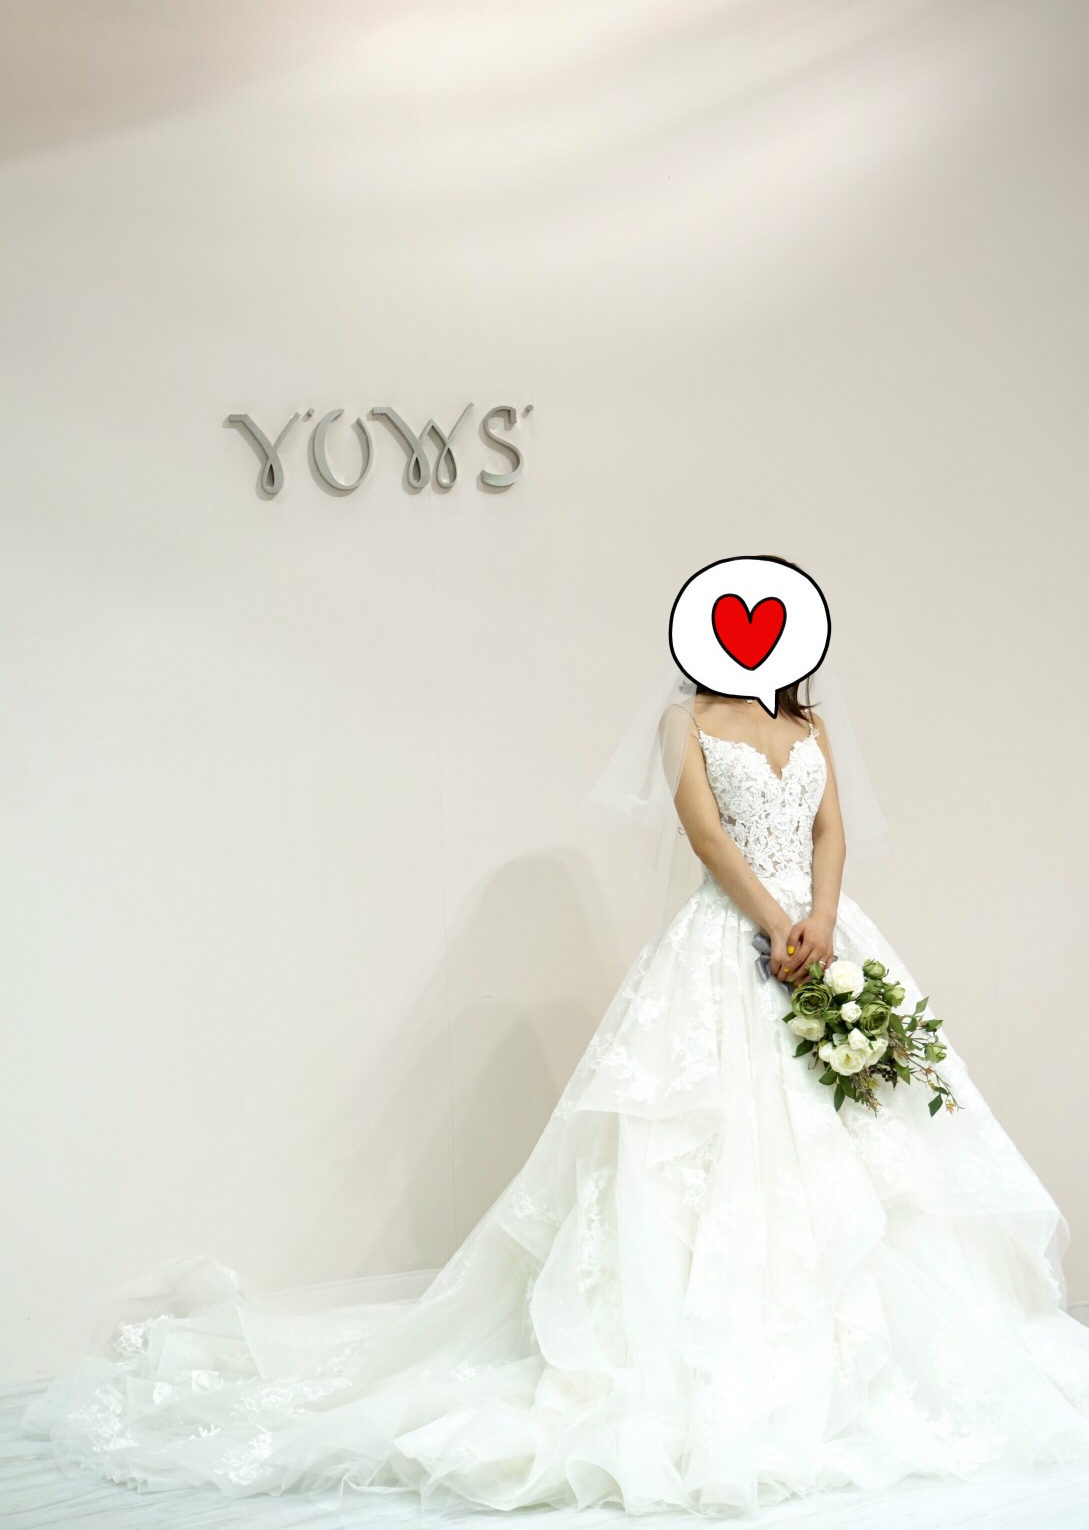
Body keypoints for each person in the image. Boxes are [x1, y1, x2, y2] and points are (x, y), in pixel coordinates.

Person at [15, 645, 1089, 1522]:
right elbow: (704, 834)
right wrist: (775, 923)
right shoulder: (684, 720)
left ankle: (853, 1366)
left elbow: (831, 830)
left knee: (856, 1143)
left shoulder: (808, 727)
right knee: (695, 1141)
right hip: (734, 943)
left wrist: (821, 918)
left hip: (822, 935)